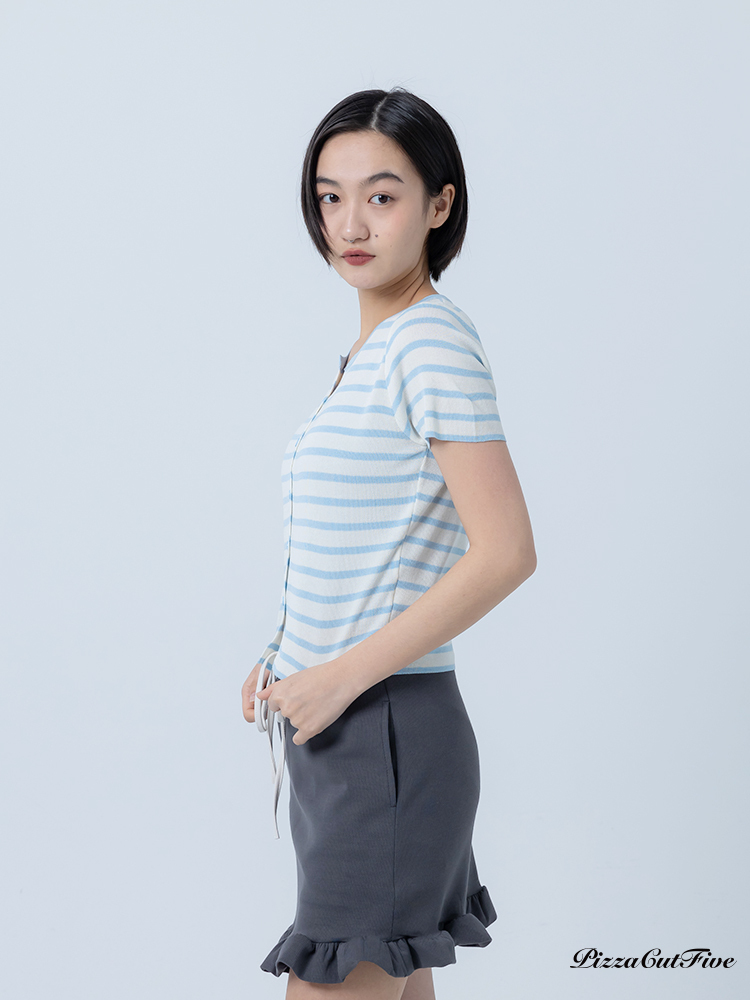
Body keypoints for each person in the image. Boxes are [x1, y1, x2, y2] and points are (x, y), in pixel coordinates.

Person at [241, 86, 537, 999]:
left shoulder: (428, 346)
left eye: (381, 195)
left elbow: (506, 552)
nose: (350, 224)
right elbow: (374, 546)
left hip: (383, 735)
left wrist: (338, 675)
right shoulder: (374, 354)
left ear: (439, 204)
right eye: (329, 197)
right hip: (349, 734)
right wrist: (289, 653)